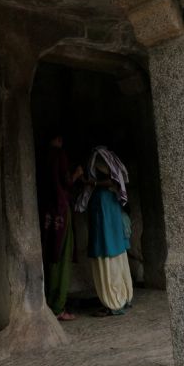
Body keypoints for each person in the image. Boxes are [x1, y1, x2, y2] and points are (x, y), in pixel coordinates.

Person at [74, 145, 134, 316]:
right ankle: (122, 296)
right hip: (107, 208)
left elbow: (112, 180)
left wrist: (89, 182)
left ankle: (113, 302)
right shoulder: (106, 155)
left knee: (108, 254)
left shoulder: (99, 155)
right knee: (115, 253)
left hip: (104, 210)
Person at [41, 135, 82, 321]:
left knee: (51, 255)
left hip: (48, 213)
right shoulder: (59, 155)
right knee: (62, 256)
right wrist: (77, 174)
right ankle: (58, 306)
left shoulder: (43, 156)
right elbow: (67, 181)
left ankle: (49, 301)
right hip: (61, 211)